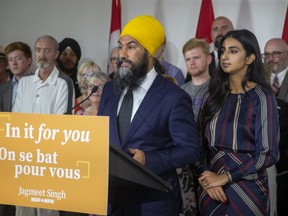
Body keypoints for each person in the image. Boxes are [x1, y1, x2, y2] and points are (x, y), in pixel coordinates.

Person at [97, 15, 200, 216]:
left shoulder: (174, 97)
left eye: (131, 46)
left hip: (152, 203)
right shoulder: (109, 89)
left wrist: (149, 160)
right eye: (120, 46)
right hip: (111, 201)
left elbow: (190, 149)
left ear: (150, 52)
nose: (122, 54)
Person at [196, 29, 279, 215]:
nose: (225, 56)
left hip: (248, 189)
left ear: (250, 58)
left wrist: (225, 177)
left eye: (233, 51)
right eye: (223, 51)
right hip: (210, 190)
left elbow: (268, 154)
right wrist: (207, 179)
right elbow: (198, 147)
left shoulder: (262, 97)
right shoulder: (211, 97)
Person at [13, 35, 75, 216]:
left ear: (56, 54)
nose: (42, 55)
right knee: (23, 209)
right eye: (38, 50)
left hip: (50, 160)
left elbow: (61, 123)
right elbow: (16, 119)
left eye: (47, 50)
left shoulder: (64, 83)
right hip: (24, 160)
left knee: (47, 210)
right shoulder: (24, 83)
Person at [177, 38, 212, 216]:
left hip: (211, 160)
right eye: (188, 59)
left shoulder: (219, 88)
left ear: (209, 59)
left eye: (196, 57)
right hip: (185, 162)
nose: (192, 62)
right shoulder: (180, 91)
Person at [263, 38, 288, 216]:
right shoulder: (258, 80)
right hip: (263, 164)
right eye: (267, 54)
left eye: (276, 53)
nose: (271, 58)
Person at [185, 16, 234, 82]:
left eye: (224, 28)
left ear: (233, 32)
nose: (219, 32)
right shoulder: (199, 61)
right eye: (215, 29)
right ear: (211, 34)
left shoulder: (241, 59)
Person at [0, 41, 32, 112]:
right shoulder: (3, 88)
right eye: (10, 59)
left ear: (29, 61)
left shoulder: (40, 83)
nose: (14, 63)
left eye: (18, 58)